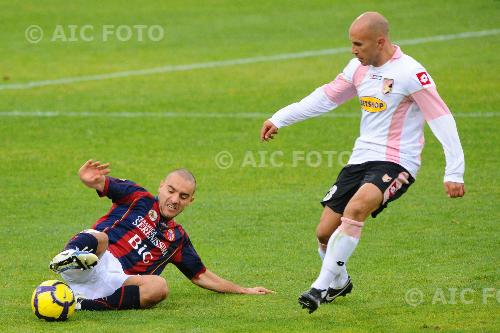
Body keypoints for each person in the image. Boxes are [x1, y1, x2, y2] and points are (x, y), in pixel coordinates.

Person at [260, 11, 465, 313]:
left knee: (356, 209)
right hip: (361, 159)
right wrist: (280, 117)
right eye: (351, 43)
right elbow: (325, 98)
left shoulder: (411, 73)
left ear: (380, 42)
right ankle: (339, 281)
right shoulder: (358, 68)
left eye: (359, 44)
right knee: (324, 234)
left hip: (398, 161)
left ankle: (319, 288)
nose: (353, 50)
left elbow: (441, 118)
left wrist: (454, 171)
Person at [49, 160, 273, 311]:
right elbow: (103, 183)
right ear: (161, 186)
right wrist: (91, 180)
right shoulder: (138, 198)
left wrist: (243, 290)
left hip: (117, 281)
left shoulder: (177, 239)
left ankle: (81, 304)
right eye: (171, 191)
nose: (175, 199)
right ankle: (66, 258)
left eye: (183, 196)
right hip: (92, 261)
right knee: (100, 238)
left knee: (160, 287)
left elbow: (201, 275)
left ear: (190, 201)